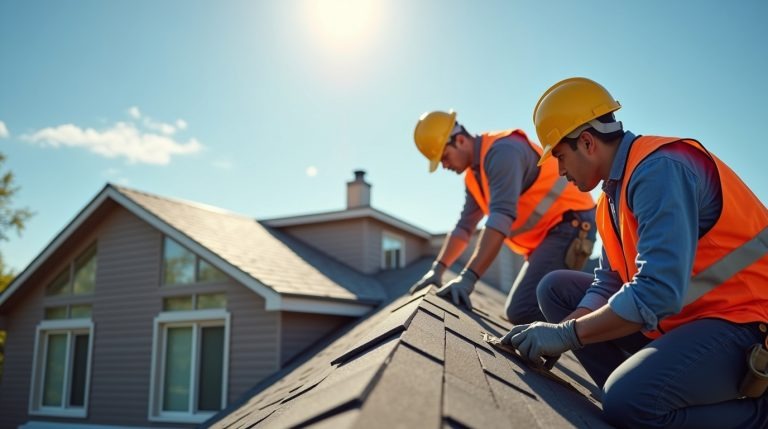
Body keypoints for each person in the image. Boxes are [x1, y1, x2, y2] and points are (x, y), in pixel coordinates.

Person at [501, 77, 768, 428]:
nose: (561, 172)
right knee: (555, 290)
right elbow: (608, 282)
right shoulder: (609, 199)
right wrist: (562, 328)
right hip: (688, 320)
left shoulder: (660, 170)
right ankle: (644, 388)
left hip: (746, 322)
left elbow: (657, 290)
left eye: (561, 158)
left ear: (587, 142)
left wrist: (566, 336)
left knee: (630, 404)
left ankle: (753, 415)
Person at [410, 110, 596, 324]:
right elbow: (465, 227)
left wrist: (468, 278)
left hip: (572, 225)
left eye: (444, 157)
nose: (444, 166)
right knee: (517, 311)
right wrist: (437, 270)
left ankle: (602, 313)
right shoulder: (474, 176)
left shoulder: (503, 152)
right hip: (549, 235)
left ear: (460, 140)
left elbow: (500, 218)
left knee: (523, 310)